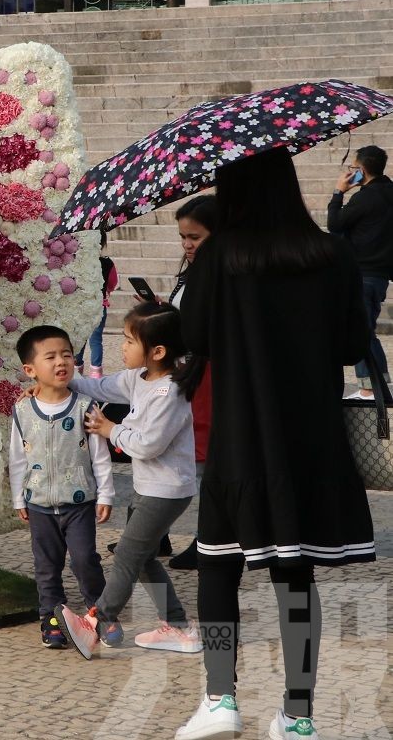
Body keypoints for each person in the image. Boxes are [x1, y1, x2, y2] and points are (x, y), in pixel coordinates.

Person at [175, 148, 375, 740]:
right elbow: (350, 344)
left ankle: (220, 698)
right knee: (295, 575)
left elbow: (197, 336)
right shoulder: (332, 253)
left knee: (218, 568)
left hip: (240, 436)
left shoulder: (218, 256)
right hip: (309, 441)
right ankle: (299, 713)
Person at [54, 303, 201, 659]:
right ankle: (179, 628)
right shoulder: (138, 378)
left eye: (130, 340)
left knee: (126, 558)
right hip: (148, 488)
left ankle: (96, 621)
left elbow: (150, 444)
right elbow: (100, 386)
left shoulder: (169, 391)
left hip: (166, 490)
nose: (123, 347)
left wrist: (110, 429)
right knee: (145, 558)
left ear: (158, 351)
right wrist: (60, 379)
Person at [9, 325, 113, 650]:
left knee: (85, 560)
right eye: (50, 357)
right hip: (39, 504)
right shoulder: (23, 410)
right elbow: (17, 458)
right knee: (46, 567)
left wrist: (106, 493)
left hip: (79, 503)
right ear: (30, 370)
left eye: (66, 354)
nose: (61, 362)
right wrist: (18, 497)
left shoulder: (85, 406)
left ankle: (101, 614)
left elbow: (100, 456)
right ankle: (51, 619)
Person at [167, 194, 217, 571]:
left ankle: (211, 539)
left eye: (195, 237)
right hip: (191, 374)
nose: (187, 244)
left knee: (204, 462)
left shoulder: (221, 276)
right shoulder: (192, 271)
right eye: (184, 236)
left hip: (210, 377)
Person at [328, 144, 393, 400]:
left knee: (362, 332)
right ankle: (377, 387)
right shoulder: (389, 192)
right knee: (364, 330)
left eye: (354, 168)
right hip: (380, 275)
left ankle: (370, 389)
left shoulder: (365, 197)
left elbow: (334, 224)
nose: (351, 172)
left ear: (363, 169)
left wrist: (338, 191)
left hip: (362, 274)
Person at [82, 240, 120, 379]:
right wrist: (107, 291)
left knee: (80, 338)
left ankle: (77, 368)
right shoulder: (107, 262)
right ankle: (96, 373)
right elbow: (113, 282)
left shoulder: (81, 260)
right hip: (100, 305)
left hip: (82, 305)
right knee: (96, 340)